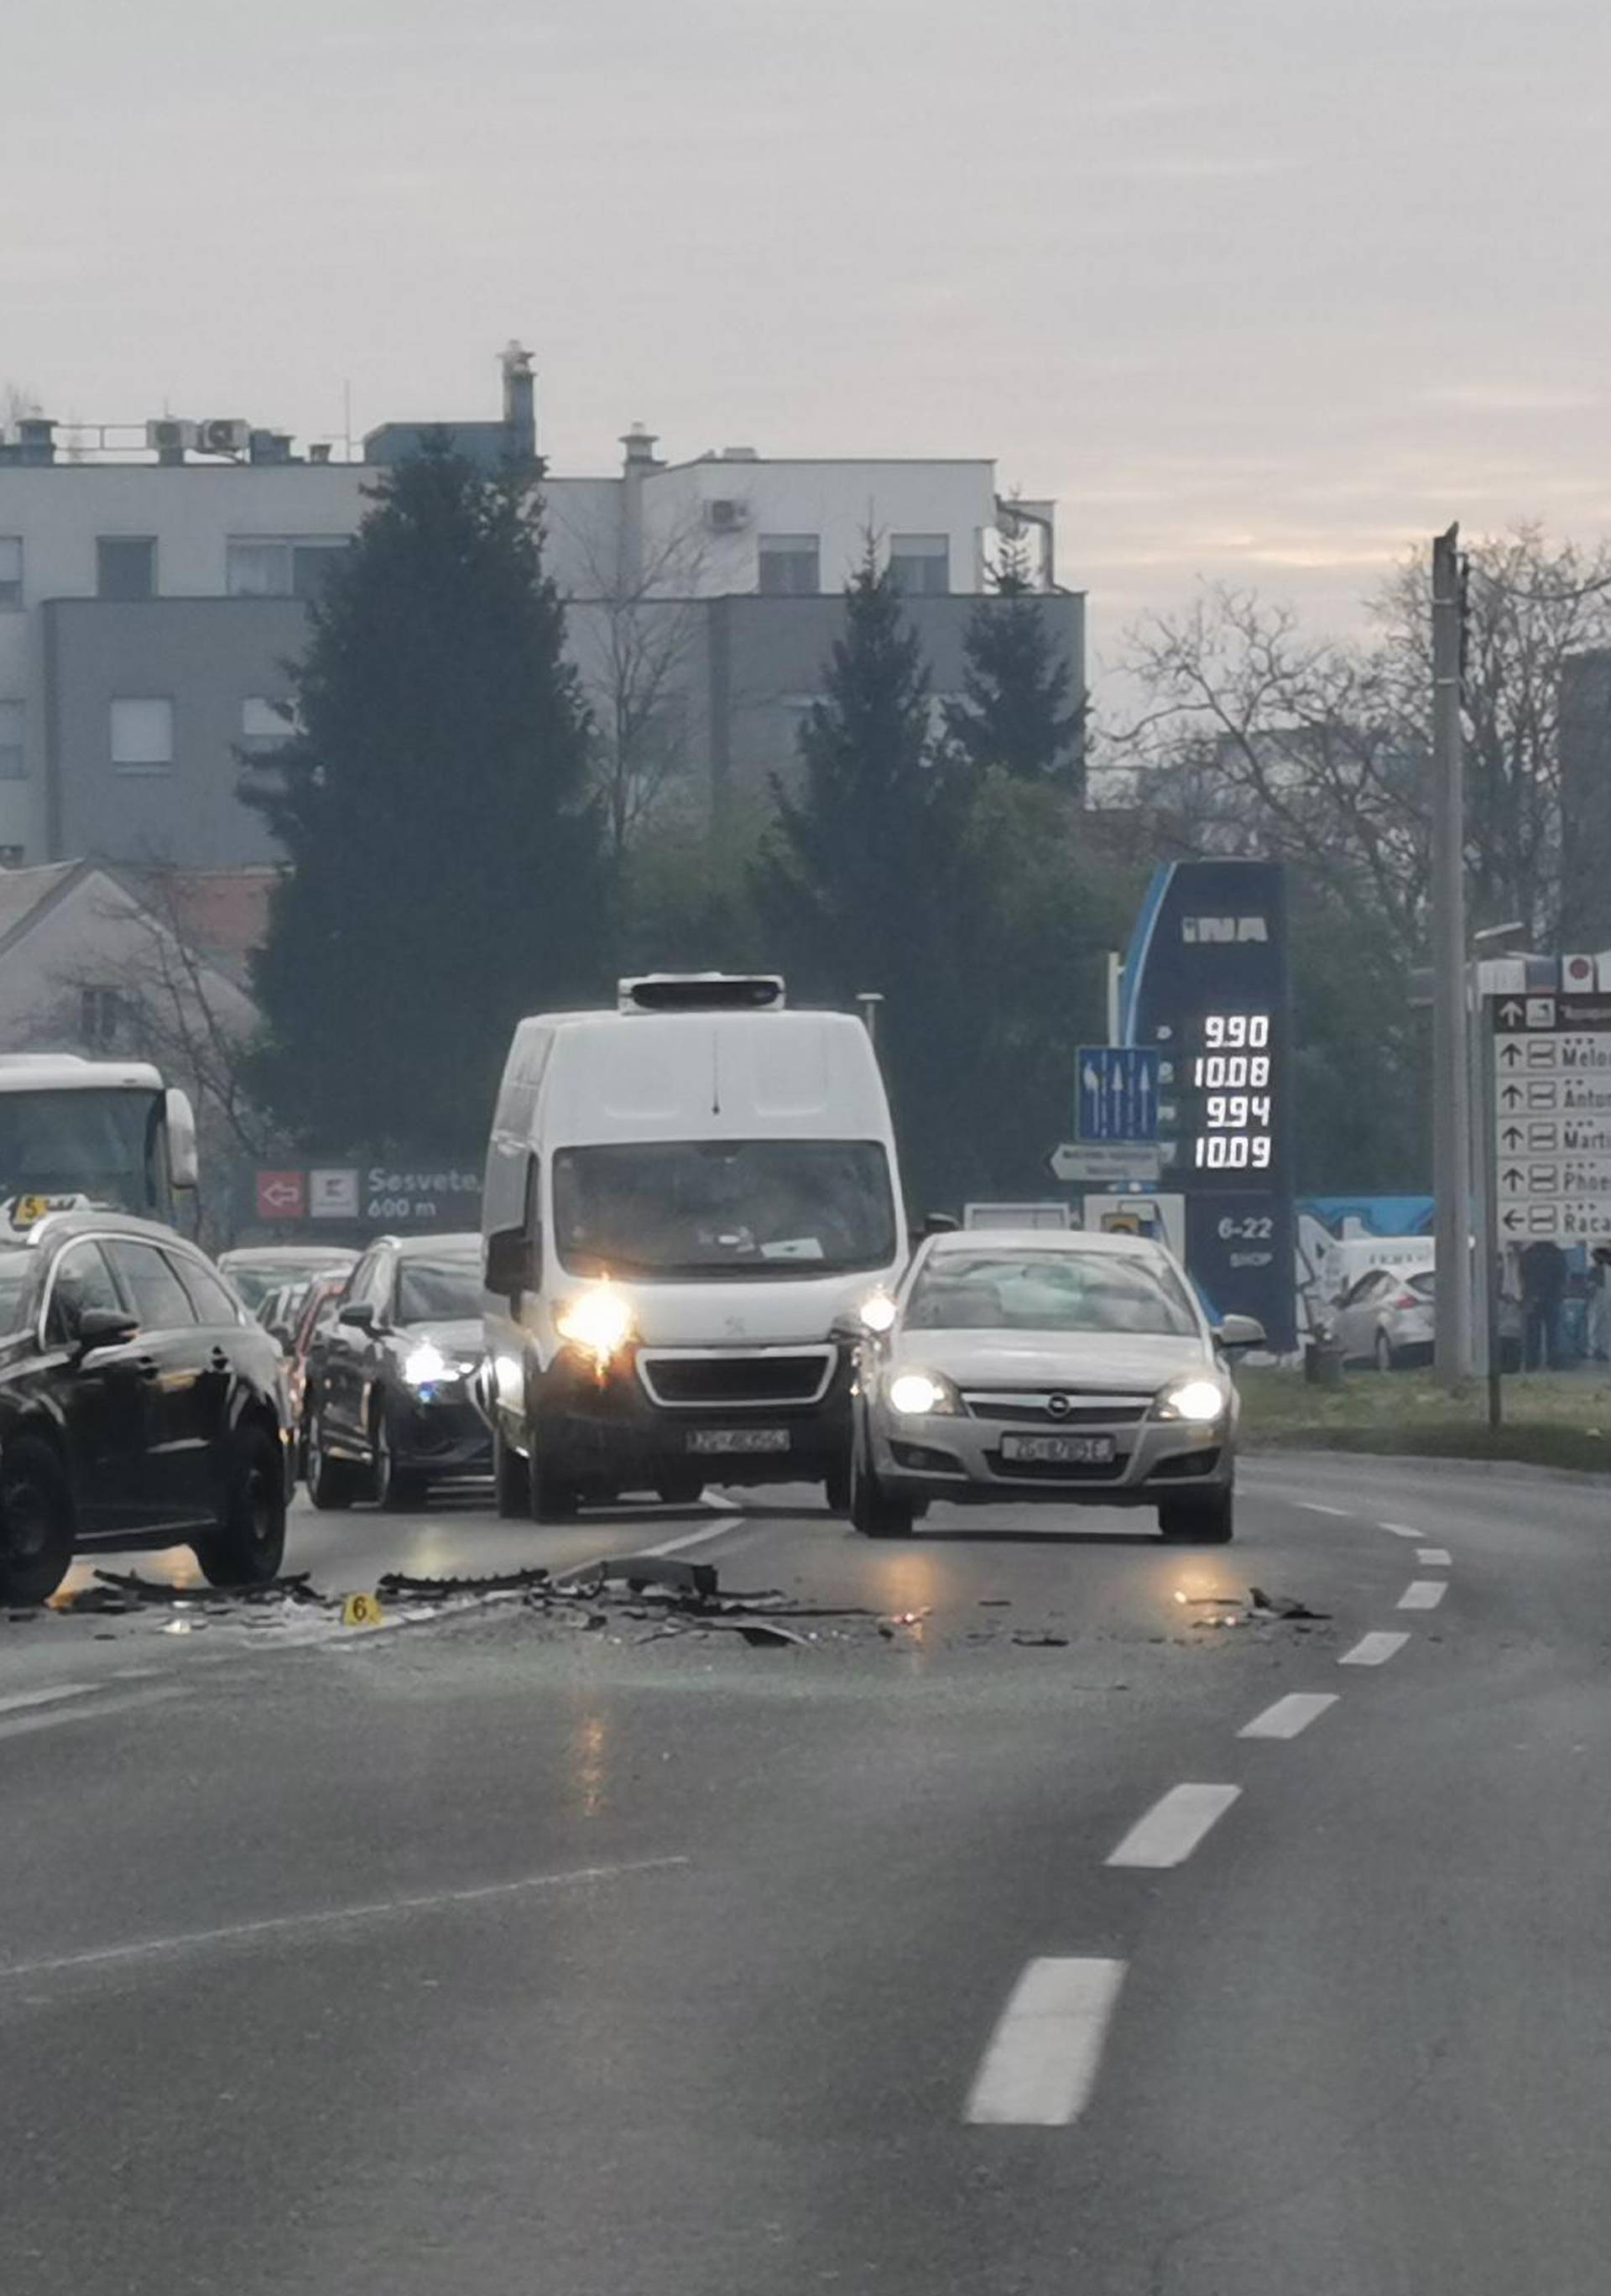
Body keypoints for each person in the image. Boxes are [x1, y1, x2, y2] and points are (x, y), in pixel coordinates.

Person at [1519, 1238, 1568, 1370]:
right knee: (1553, 1332)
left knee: (1532, 1332)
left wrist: (1528, 1293)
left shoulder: (1529, 1253)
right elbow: (1563, 1275)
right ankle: (1554, 1362)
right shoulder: (1557, 1253)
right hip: (1552, 1295)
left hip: (1533, 1295)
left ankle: (1532, 1362)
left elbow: (1523, 1274)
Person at [1588, 1245, 1611, 1364]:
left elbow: (1591, 1286)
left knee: (1600, 1324)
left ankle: (1601, 1348)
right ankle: (1602, 1349)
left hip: (1601, 1299)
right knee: (1601, 1324)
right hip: (1601, 1299)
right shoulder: (1597, 1270)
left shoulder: (1597, 1270)